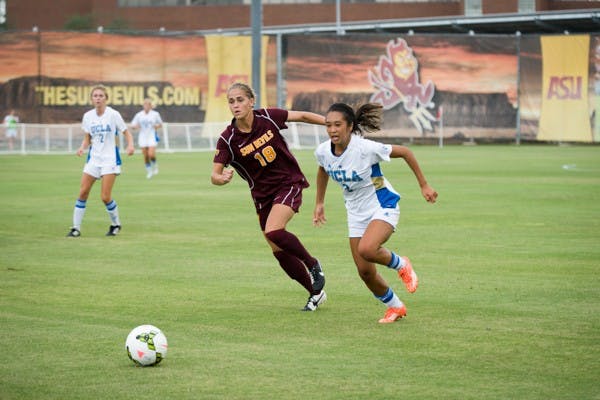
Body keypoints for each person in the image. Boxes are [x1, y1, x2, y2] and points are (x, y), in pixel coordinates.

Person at [313, 102, 438, 323]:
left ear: (350, 126)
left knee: (368, 249)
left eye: (337, 125)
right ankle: (396, 307)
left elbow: (406, 152)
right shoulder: (323, 151)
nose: (332, 130)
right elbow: (323, 169)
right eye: (328, 125)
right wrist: (320, 202)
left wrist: (424, 185)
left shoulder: (365, 148)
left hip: (383, 205)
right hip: (355, 213)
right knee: (365, 272)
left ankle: (402, 264)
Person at [211, 82, 327, 311]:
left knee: (274, 230)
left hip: (289, 183)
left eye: (240, 99)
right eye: (231, 101)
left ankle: (313, 264)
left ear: (251, 101)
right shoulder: (228, 139)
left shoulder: (268, 117)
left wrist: (330, 123)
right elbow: (214, 174)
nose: (236, 105)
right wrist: (220, 178)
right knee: (279, 252)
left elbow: (302, 115)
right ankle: (315, 293)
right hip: (262, 197)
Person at [66, 84, 135, 237]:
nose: (98, 98)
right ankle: (75, 228)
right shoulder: (88, 116)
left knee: (105, 197)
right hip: (94, 159)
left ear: (106, 98)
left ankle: (116, 224)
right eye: (95, 96)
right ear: (92, 99)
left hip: (110, 159)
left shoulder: (113, 114)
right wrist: (82, 148)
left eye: (100, 96)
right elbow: (87, 138)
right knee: (83, 192)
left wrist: (130, 145)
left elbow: (126, 133)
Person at [130, 98, 163, 179]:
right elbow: (133, 125)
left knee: (151, 154)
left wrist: (156, 126)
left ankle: (155, 165)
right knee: (145, 155)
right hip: (142, 137)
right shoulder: (139, 115)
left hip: (151, 136)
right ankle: (149, 171)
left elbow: (160, 124)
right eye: (145, 104)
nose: (146, 106)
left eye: (148, 104)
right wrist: (136, 126)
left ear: (151, 106)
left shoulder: (155, 114)